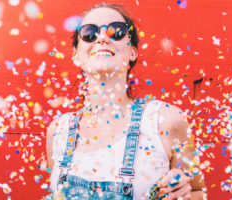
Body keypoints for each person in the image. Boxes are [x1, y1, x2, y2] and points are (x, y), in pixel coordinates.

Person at [46, 3, 205, 200]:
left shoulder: (166, 120)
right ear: (76, 55)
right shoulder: (58, 130)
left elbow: (198, 192)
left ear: (132, 52)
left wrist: (185, 195)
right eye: (89, 33)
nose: (102, 38)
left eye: (117, 32)